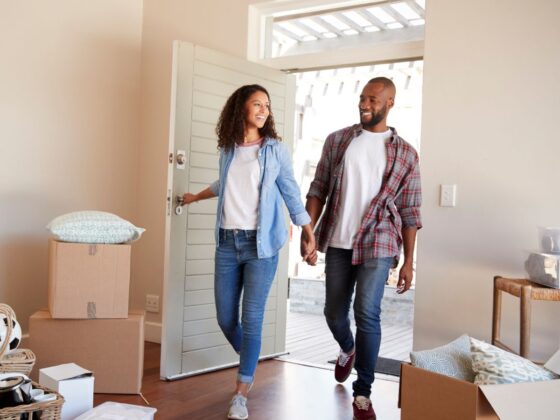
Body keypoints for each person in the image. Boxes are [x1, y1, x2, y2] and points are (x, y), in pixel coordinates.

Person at [182, 84, 315, 420]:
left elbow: (290, 190)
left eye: (267, 105)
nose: (263, 110)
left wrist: (307, 230)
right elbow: (224, 184)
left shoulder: (274, 150)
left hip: (261, 245)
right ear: (241, 107)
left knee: (251, 319)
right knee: (226, 318)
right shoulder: (228, 149)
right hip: (227, 242)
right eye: (257, 104)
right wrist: (194, 197)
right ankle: (251, 359)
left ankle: (240, 393)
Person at [301, 77, 422, 420]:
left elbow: (411, 212)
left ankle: (363, 393)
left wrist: (409, 262)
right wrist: (308, 231)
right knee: (334, 313)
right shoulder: (339, 140)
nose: (365, 104)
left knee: (367, 311)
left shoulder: (406, 154)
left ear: (389, 103)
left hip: (379, 240)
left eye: (373, 99)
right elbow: (318, 187)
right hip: (339, 240)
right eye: (362, 98)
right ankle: (347, 348)